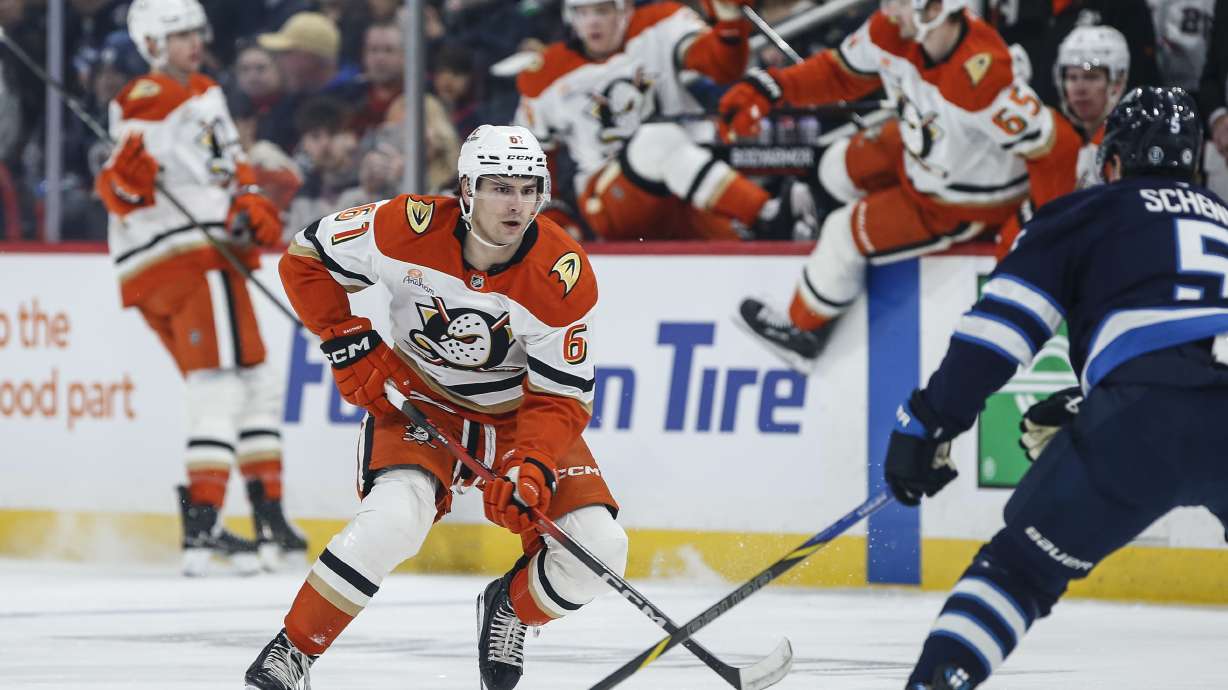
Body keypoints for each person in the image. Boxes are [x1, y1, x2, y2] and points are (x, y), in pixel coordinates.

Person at [244, 124, 628, 690]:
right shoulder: (406, 226)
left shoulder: (561, 275)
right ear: (467, 189)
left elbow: (560, 396)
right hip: (419, 401)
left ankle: (510, 609)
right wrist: (345, 337)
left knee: (601, 549)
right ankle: (292, 652)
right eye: (500, 187)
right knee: (394, 519)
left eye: (528, 188)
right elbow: (305, 257)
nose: (516, 203)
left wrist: (533, 463)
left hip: (517, 416)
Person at [883, 86, 1228, 689]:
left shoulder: (1086, 213)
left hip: (1144, 416)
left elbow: (999, 332)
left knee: (1017, 573)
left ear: (1112, 161)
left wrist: (932, 421)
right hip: (1174, 397)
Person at [720, 0, 1055, 370]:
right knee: (836, 164)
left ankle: (803, 332)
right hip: (928, 153)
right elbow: (840, 73)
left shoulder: (983, 75)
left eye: (899, 0)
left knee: (842, 233)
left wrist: (1039, 226)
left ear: (935, 9)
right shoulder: (894, 29)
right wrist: (774, 86)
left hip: (960, 202)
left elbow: (1055, 149)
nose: (887, 8)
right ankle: (804, 229)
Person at [96, 0, 306, 575]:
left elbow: (225, 166)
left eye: (195, 32)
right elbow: (121, 187)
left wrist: (248, 199)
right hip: (183, 260)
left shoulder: (205, 92)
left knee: (258, 380)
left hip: (212, 254)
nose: (192, 42)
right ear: (153, 45)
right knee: (218, 384)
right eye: (178, 35)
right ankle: (204, 524)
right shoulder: (146, 97)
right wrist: (126, 185)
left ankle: (268, 520)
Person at [514, 0, 816, 242]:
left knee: (755, 252)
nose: (592, 21)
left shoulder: (660, 24)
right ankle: (766, 213)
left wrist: (729, 26)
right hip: (612, 199)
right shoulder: (543, 75)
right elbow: (527, 160)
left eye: (602, 10)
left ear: (625, 9)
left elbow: (723, 69)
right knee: (655, 140)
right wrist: (553, 221)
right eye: (582, 12)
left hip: (686, 182)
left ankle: (784, 226)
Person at [995, 24, 1130, 258]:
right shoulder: (1052, 138)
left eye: (1091, 76)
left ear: (1116, 82)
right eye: (1072, 76)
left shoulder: (1133, 144)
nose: (1079, 88)